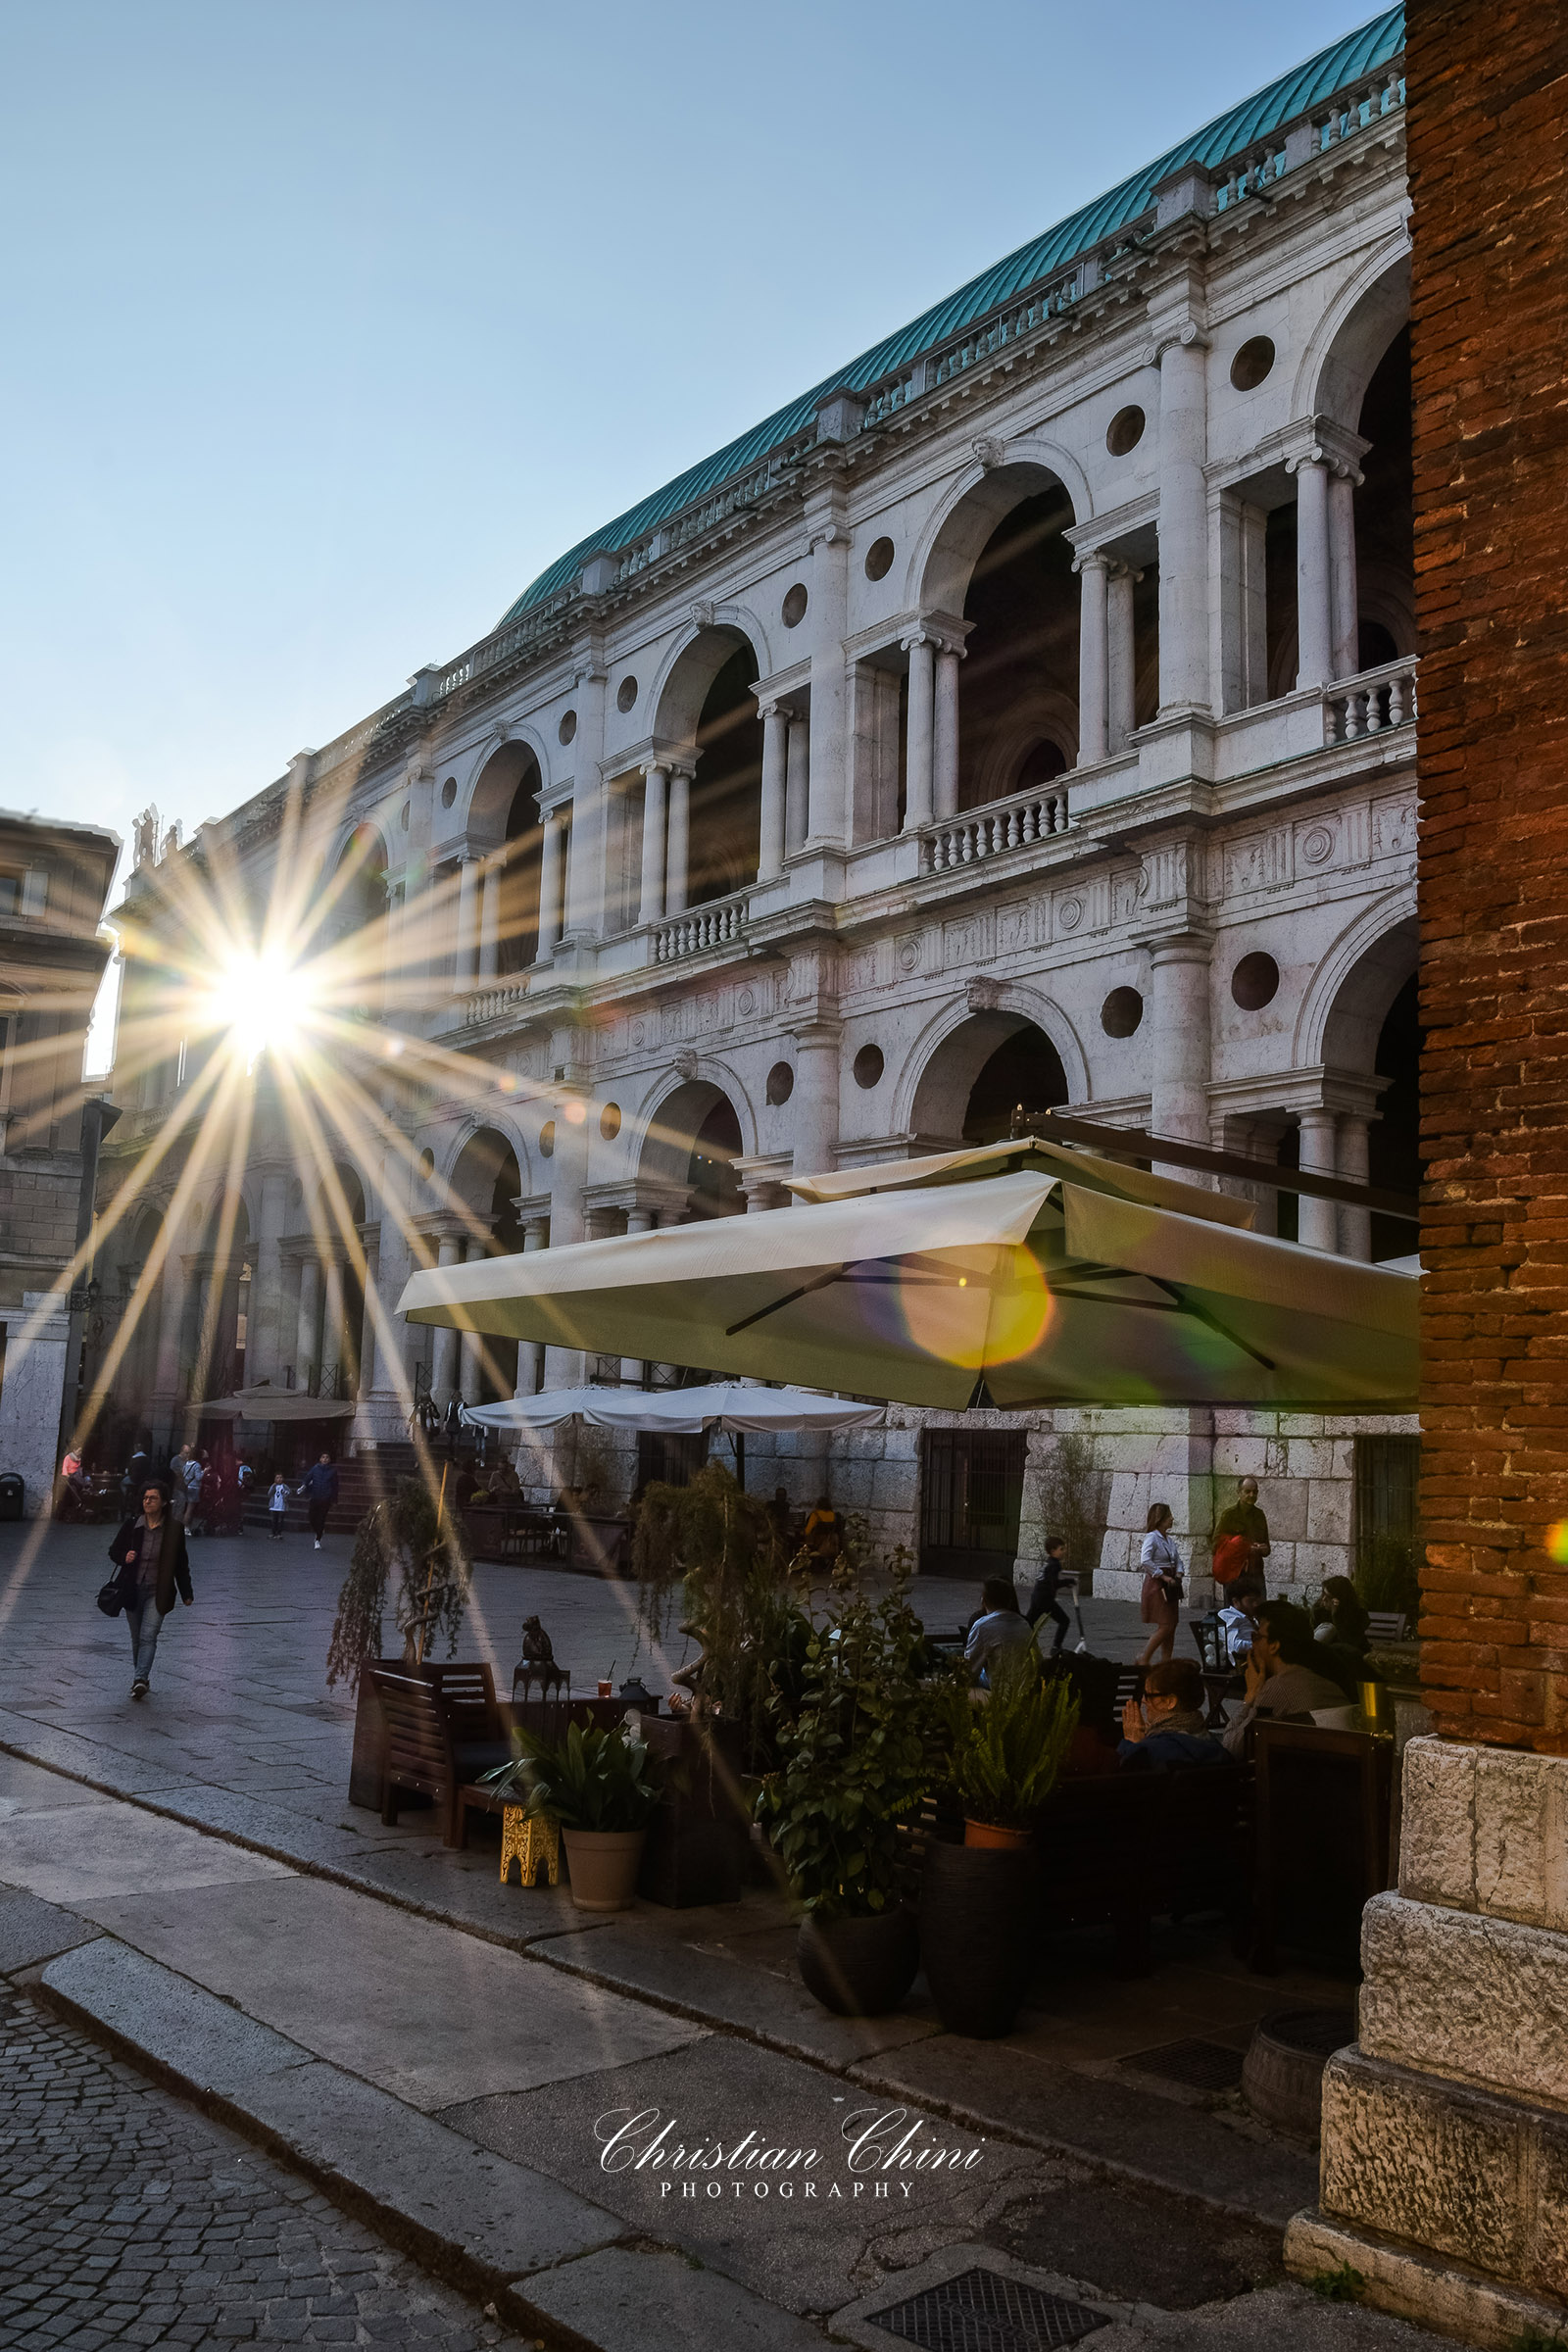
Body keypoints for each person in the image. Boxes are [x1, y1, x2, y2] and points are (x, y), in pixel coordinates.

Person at [1221, 1599, 1348, 1756]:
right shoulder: (1318, 1677)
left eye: (1257, 1637)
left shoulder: (1279, 1687)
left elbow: (1232, 1747)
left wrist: (1250, 1697)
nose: (1253, 1647)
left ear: (1274, 1645)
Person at [107, 1479, 193, 1699]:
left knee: (148, 1635)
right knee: (137, 1638)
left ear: (164, 1502)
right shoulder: (132, 1526)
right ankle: (142, 1678)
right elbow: (114, 1551)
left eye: (153, 1498)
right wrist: (124, 1556)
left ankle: (139, 1679)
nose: (147, 1501)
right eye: (145, 1497)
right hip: (132, 1590)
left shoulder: (174, 1529)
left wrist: (186, 1593)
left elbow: (181, 1563)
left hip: (158, 1591)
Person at [1119, 1658, 1225, 1770]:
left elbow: (1123, 1778)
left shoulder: (1151, 1751)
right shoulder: (1214, 1747)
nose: (1144, 1701)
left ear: (1170, 1702)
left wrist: (1132, 1744)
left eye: (1148, 1695)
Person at [963, 1576, 1037, 1686]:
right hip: (1026, 1687)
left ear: (983, 1599)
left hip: (1001, 1691)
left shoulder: (982, 1626)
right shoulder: (1023, 1623)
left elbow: (969, 1671)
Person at [1136, 1503, 1184, 1668]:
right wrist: (1162, 1575)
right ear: (1160, 1519)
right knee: (1166, 1624)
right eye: (1168, 1516)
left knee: (1172, 1624)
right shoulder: (1152, 1537)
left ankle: (1166, 1661)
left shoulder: (1169, 1540)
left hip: (1170, 1584)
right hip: (1158, 1585)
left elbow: (1177, 1559)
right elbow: (1145, 1560)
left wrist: (1178, 1573)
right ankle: (1144, 1656)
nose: (1172, 1518)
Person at [1212, 1475, 1271, 1603]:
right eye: (1247, 1491)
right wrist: (1242, 1547)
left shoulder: (1260, 1515)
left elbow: (1267, 1548)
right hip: (1235, 1574)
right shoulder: (1229, 1515)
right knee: (1233, 1613)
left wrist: (1263, 1549)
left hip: (1256, 1574)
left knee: (1259, 1611)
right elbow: (1216, 1544)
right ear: (1239, 1493)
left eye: (1255, 1492)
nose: (1251, 1495)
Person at [1025, 1536, 1072, 1657]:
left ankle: (1021, 1644)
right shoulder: (1055, 1565)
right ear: (1053, 1551)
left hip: (1036, 1596)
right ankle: (1056, 1647)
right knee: (1064, 1621)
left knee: (1029, 1622)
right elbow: (1054, 1584)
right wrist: (1068, 1581)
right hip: (1045, 1599)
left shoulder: (1048, 1562)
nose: (1064, 1552)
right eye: (1061, 1549)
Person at [1312, 1575, 1372, 1656]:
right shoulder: (1319, 1610)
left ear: (1338, 1600)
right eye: (1323, 1593)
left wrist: (1336, 1616)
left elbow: (1349, 1642)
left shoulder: (1359, 1615)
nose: (1323, 1599)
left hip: (1351, 1655)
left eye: (1328, 1596)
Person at [298, 1451, 339, 1549]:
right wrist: (303, 1486)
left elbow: (335, 1486)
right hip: (315, 1496)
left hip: (326, 1498)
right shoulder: (315, 1468)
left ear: (329, 1460)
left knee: (321, 1518)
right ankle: (319, 1530)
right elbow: (308, 1478)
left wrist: (334, 1499)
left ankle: (318, 1539)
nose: (325, 1459)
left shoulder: (333, 1471)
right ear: (320, 1459)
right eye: (323, 1457)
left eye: (327, 1457)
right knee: (311, 1517)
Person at [803, 1494, 842, 1566]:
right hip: (831, 1540)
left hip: (817, 1541)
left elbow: (808, 1530)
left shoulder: (815, 1514)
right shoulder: (833, 1515)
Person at [267, 1472, 290, 1542]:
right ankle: (273, 1533)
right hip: (274, 1506)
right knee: (274, 1520)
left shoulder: (285, 1486)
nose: (279, 1479)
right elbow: (269, 1494)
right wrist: (273, 1486)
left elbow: (289, 1493)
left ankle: (279, 1533)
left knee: (280, 1521)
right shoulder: (274, 1486)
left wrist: (285, 1494)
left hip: (281, 1506)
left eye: (280, 1477)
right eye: (277, 1478)